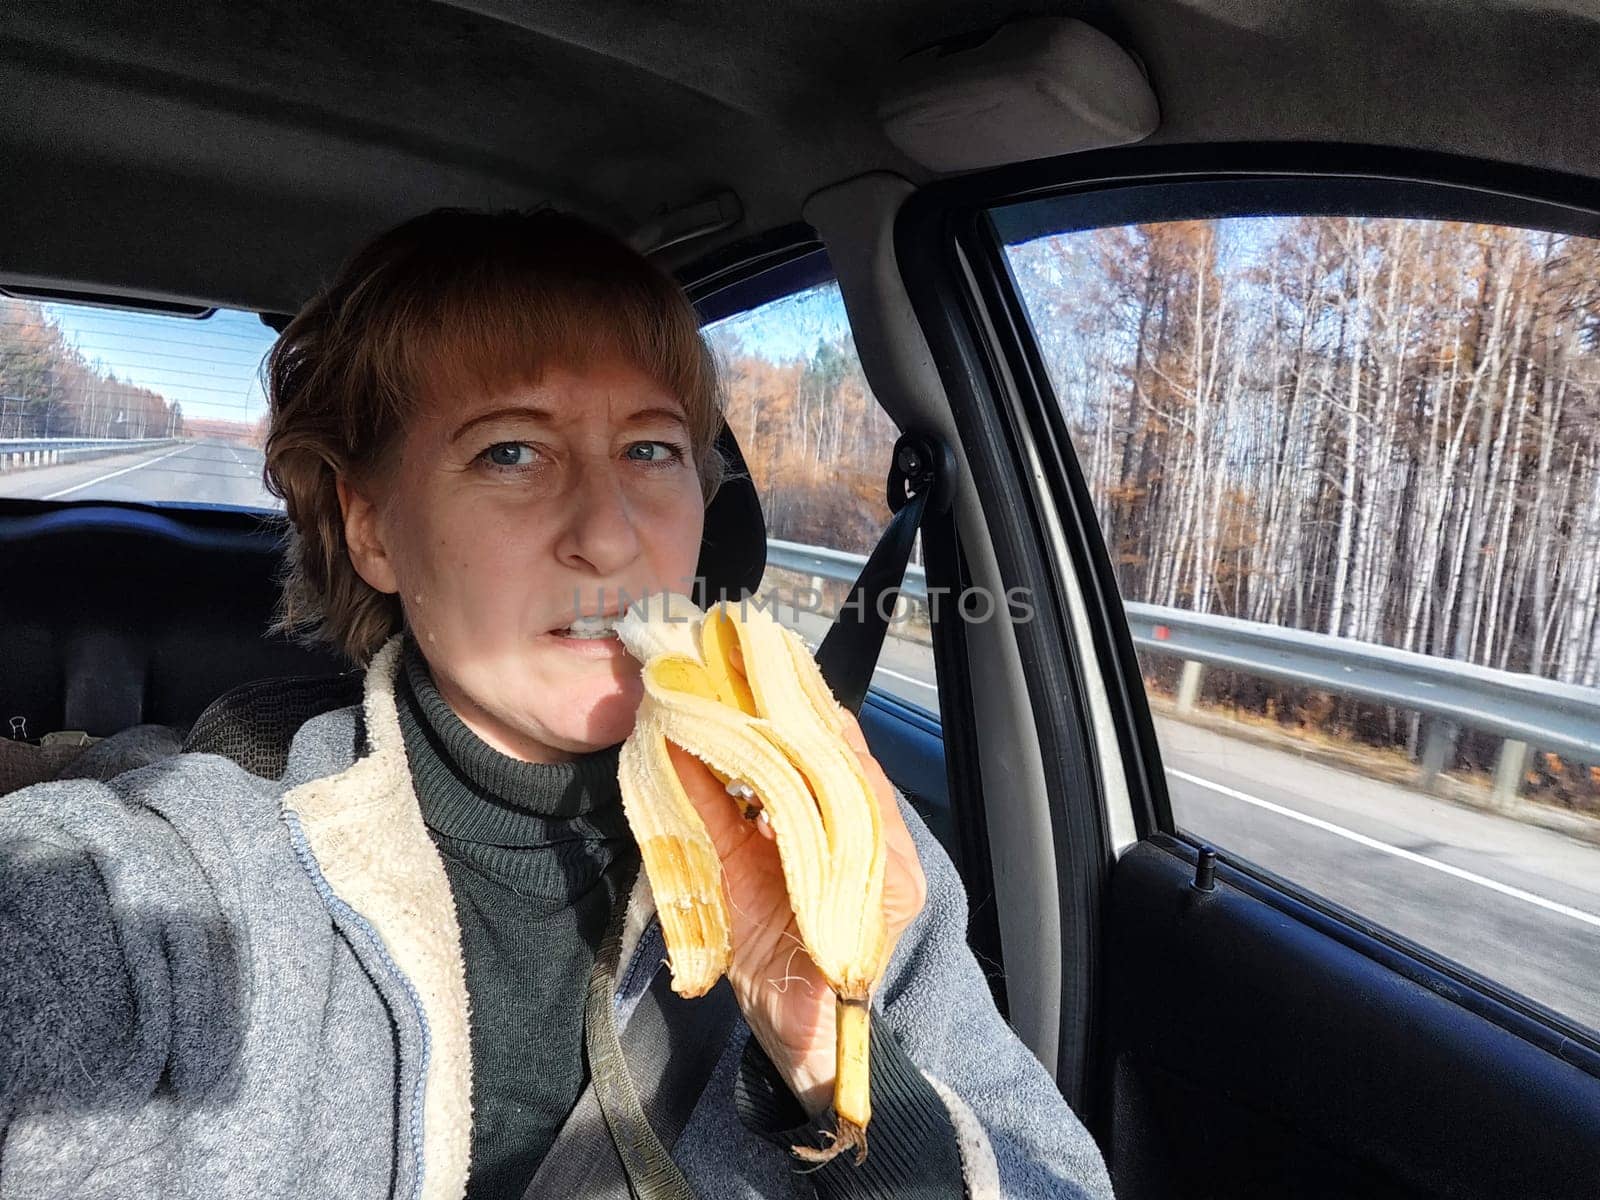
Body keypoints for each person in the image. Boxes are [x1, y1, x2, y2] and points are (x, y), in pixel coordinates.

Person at [0, 210, 1115, 1200]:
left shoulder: (842, 852)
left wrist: (836, 1059)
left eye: (649, 449)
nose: (611, 535)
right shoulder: (182, 878)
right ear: (372, 528)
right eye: (512, 450)